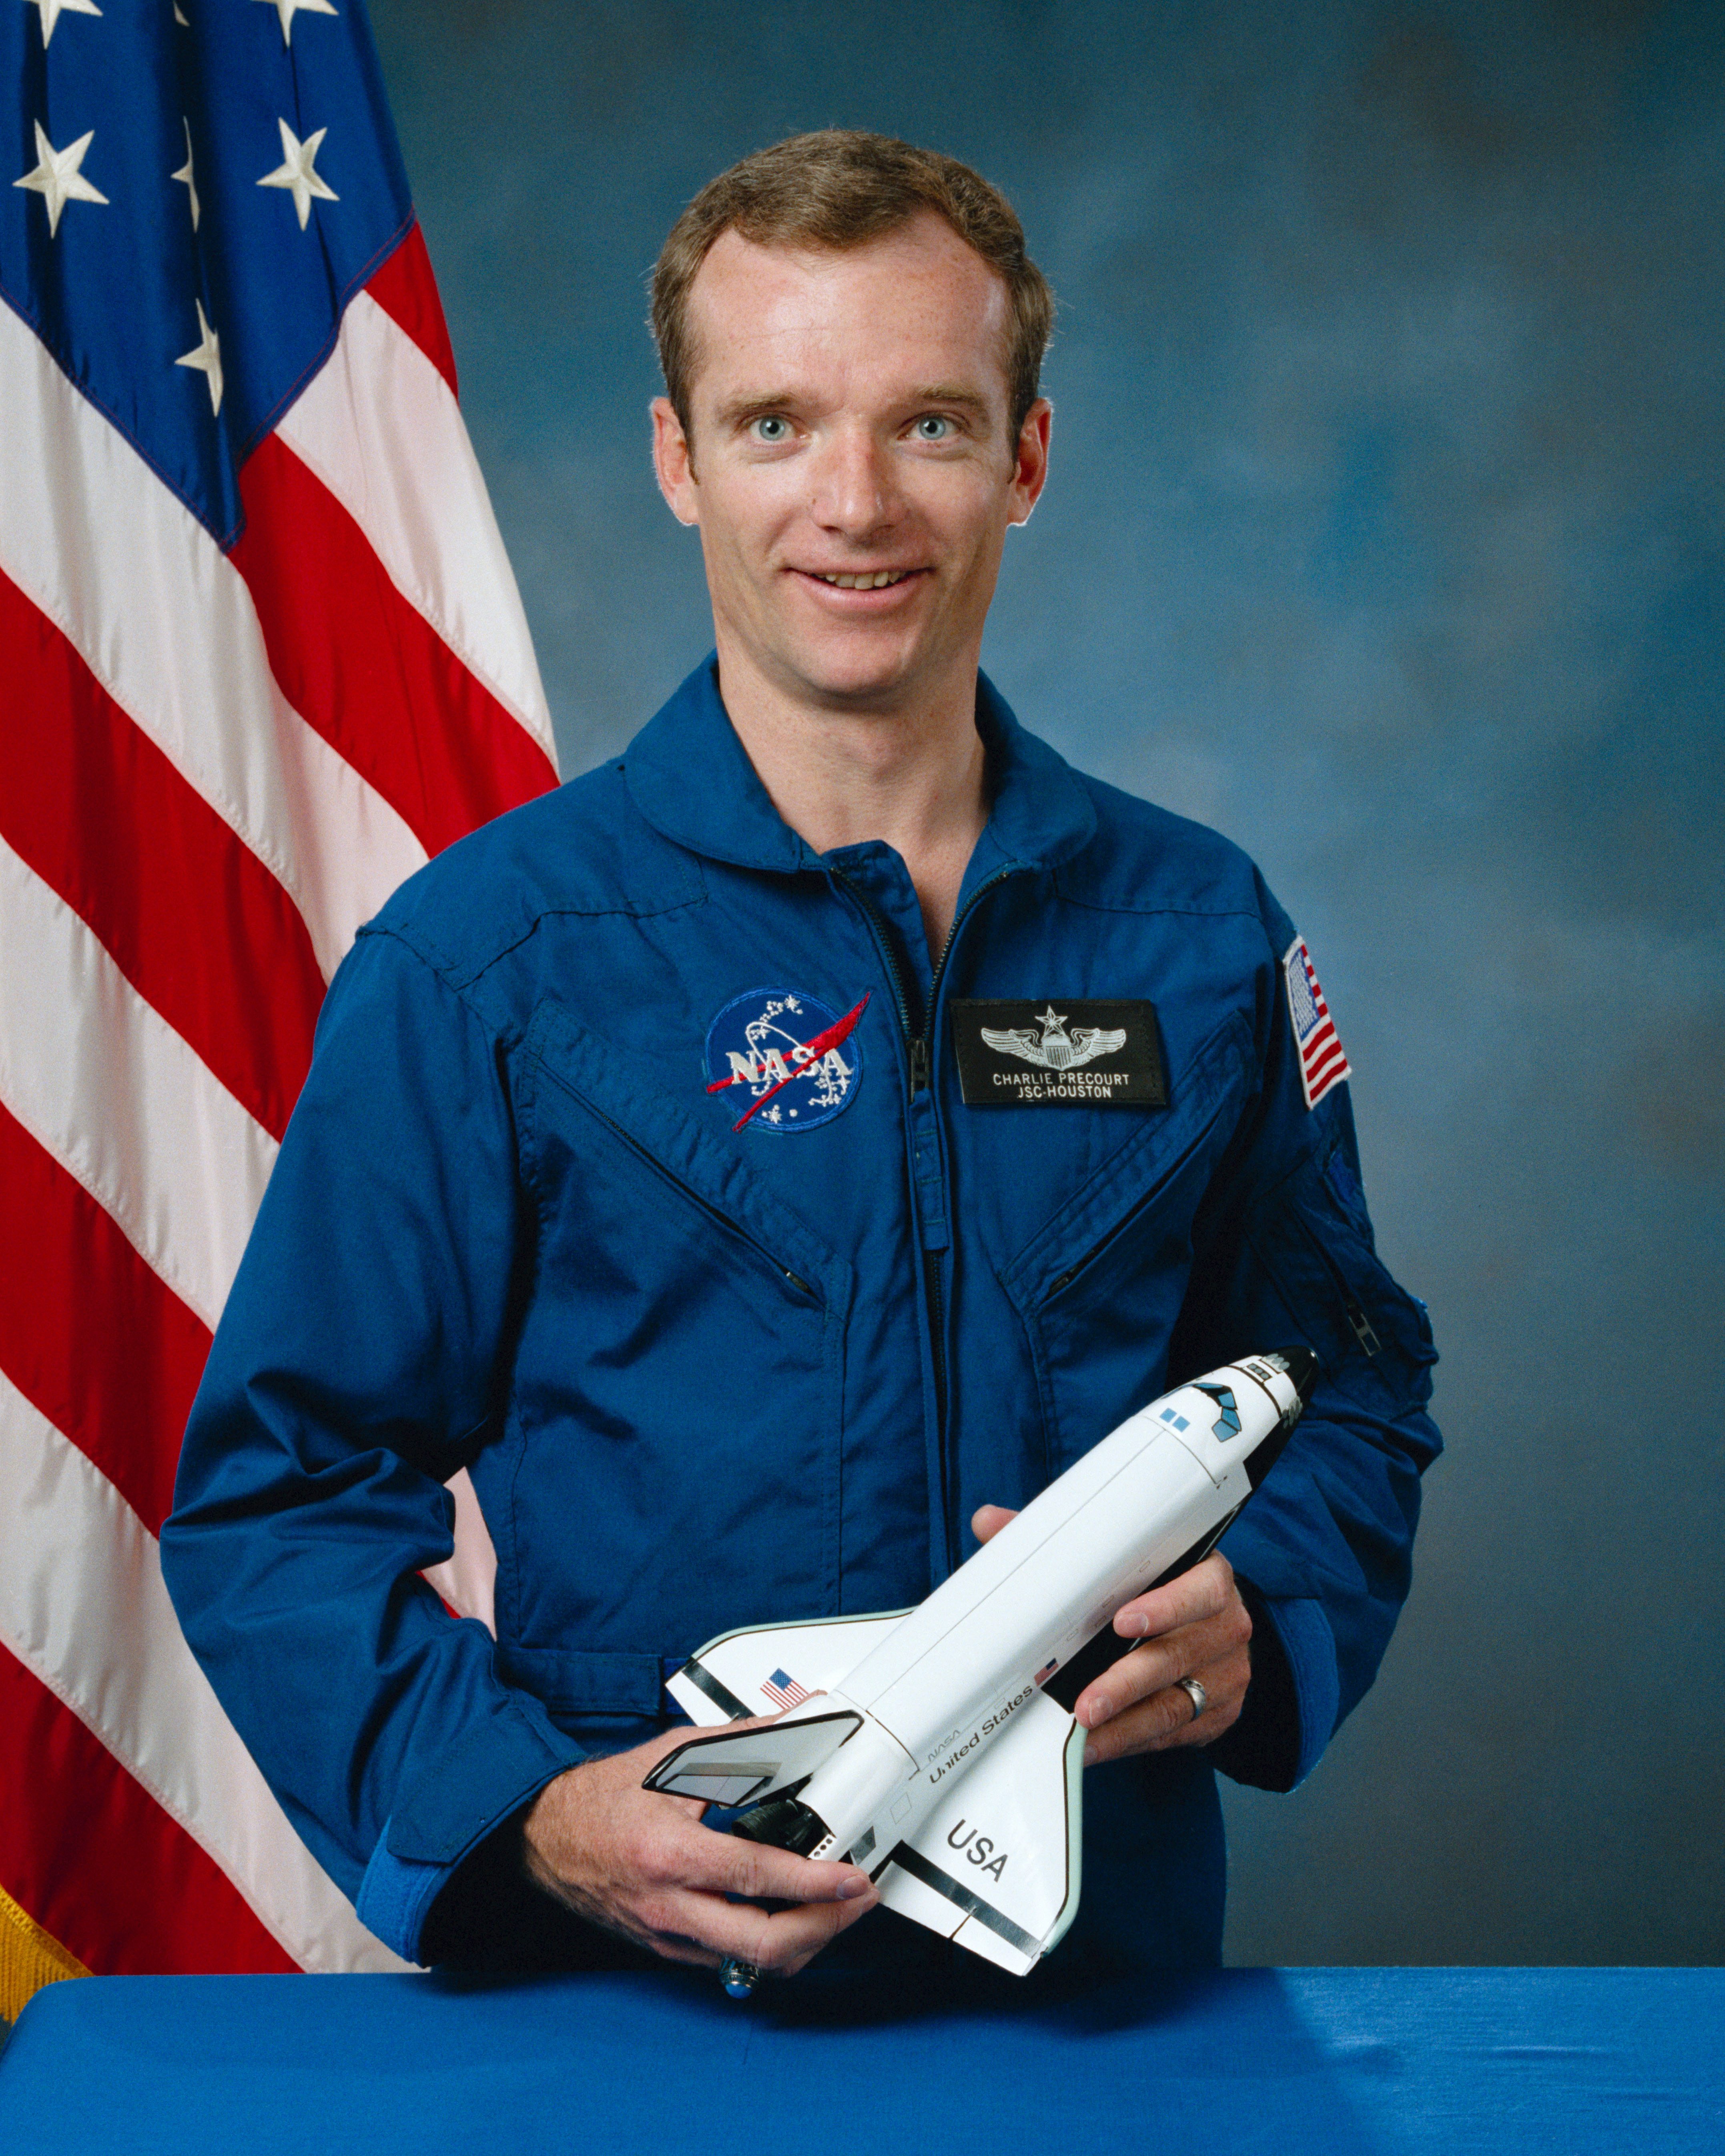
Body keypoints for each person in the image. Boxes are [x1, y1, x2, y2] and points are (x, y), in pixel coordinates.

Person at [163, 130, 1440, 1986]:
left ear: (1026, 459)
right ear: (679, 462)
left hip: (1097, 1995)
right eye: (774, 425)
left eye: (927, 423)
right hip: (639, 2005)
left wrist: (1275, 1603)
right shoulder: (492, 960)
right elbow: (276, 1490)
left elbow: (1349, 1380)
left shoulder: (1196, 935)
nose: (854, 504)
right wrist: (530, 1813)